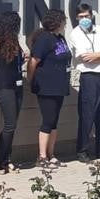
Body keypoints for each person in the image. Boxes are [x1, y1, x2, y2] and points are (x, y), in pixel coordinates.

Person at [70, 4, 100, 161]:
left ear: (92, 16)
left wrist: (98, 55)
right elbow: (85, 57)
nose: (85, 19)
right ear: (77, 18)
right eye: (81, 17)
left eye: (87, 16)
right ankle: (82, 150)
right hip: (89, 77)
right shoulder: (75, 34)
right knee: (87, 115)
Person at [28, 9, 73, 168]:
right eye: (63, 21)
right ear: (57, 22)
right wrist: (30, 80)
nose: (65, 24)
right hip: (46, 86)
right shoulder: (44, 39)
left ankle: (51, 154)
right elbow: (34, 61)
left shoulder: (60, 38)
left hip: (59, 85)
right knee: (47, 120)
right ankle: (41, 156)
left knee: (54, 121)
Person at [0, 11, 26, 173]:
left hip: (17, 85)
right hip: (3, 87)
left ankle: (6, 159)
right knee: (9, 124)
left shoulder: (15, 42)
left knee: (13, 124)